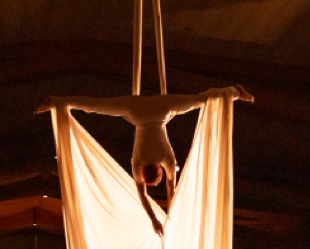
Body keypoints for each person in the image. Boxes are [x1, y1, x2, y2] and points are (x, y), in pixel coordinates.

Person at [36, 86, 254, 235]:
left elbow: (171, 189)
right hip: (138, 111)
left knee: (198, 101)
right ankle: (235, 91)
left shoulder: (167, 159)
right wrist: (158, 219)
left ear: (158, 170)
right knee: (96, 106)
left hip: (161, 110)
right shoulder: (138, 162)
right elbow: (143, 195)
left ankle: (234, 92)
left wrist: (167, 214)